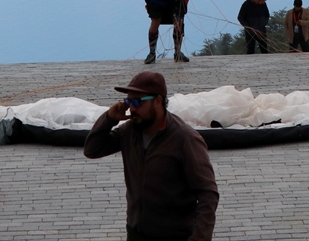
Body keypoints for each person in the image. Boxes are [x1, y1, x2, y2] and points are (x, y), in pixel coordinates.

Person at [84, 71, 219, 241]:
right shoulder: (129, 131)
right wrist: (109, 118)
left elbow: (208, 194)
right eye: (128, 101)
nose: (131, 108)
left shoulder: (185, 139)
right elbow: (92, 149)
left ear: (157, 101)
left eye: (137, 102)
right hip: (136, 234)